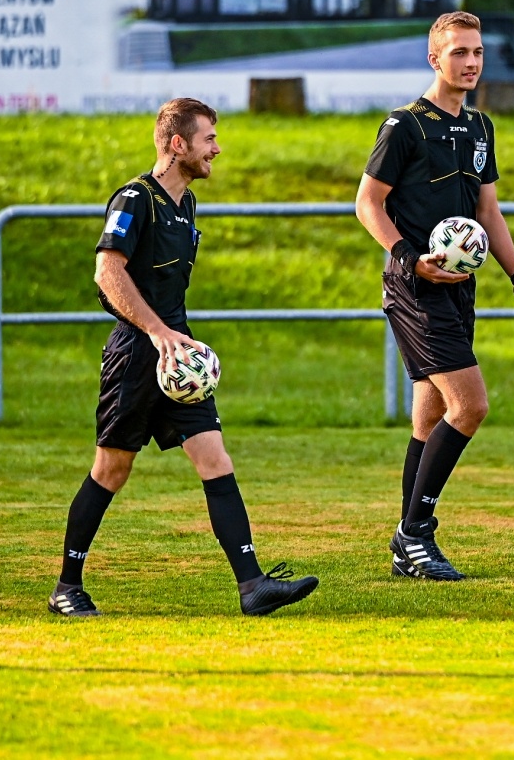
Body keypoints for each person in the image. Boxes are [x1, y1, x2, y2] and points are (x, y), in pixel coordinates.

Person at [49, 98, 319, 617]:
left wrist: (176, 341)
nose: (217, 148)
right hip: (136, 356)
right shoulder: (135, 199)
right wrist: (156, 333)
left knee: (215, 458)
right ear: (178, 145)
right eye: (208, 139)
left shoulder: (186, 204)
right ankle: (67, 586)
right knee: (112, 469)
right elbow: (107, 273)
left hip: (180, 358)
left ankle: (253, 585)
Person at [355, 11, 514, 581]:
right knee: (471, 405)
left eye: (478, 52)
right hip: (416, 285)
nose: (471, 62)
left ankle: (406, 547)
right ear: (434, 58)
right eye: (459, 52)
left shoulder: (480, 127)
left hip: (462, 287)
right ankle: (415, 534)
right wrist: (410, 257)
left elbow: (488, 211)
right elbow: (368, 203)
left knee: (431, 413)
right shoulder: (404, 125)